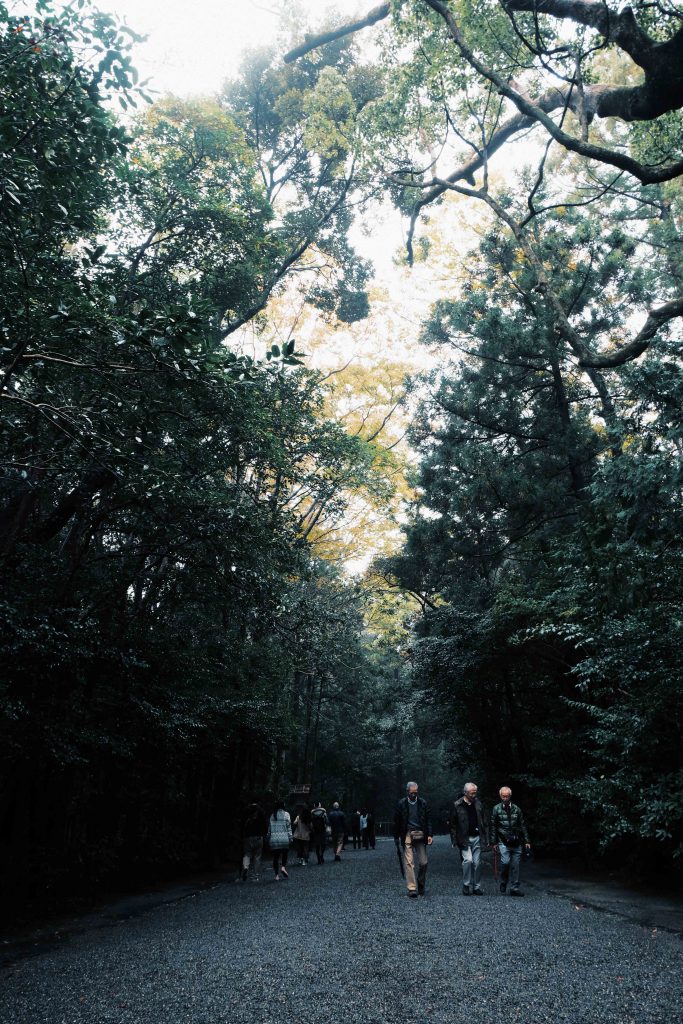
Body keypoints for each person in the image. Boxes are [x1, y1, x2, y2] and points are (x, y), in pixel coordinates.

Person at [393, 781, 433, 898]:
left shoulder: (423, 803)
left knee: (424, 862)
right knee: (409, 862)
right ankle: (412, 888)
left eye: (416, 793)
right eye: (412, 793)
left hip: (420, 834)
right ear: (407, 792)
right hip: (407, 833)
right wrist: (396, 837)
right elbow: (397, 821)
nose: (414, 795)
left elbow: (428, 819)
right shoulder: (401, 804)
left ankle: (420, 884)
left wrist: (429, 834)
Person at [489, 786, 531, 896]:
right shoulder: (496, 809)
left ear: (510, 796)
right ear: (500, 796)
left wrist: (527, 840)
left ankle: (514, 888)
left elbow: (522, 825)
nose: (505, 798)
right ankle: (504, 881)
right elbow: (493, 826)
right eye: (503, 796)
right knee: (505, 862)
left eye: (507, 796)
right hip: (503, 840)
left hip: (516, 840)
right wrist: (493, 842)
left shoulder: (517, 809)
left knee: (516, 865)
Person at [451, 782, 488, 895]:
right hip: (464, 838)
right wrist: (454, 840)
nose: (474, 795)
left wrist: (487, 838)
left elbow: (484, 821)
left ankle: (477, 887)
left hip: (477, 837)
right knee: (468, 860)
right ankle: (466, 885)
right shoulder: (457, 805)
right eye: (472, 793)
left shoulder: (479, 804)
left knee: (477, 863)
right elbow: (453, 824)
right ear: (465, 793)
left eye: (475, 793)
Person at [240, 802, 267, 882]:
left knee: (247, 854)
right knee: (257, 857)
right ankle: (255, 876)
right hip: (258, 837)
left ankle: (245, 867)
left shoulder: (246, 813)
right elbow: (265, 825)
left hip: (248, 837)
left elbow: (242, 825)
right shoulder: (261, 814)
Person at [266, 800, 292, 881]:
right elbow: (289, 827)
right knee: (285, 854)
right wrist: (290, 837)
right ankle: (283, 867)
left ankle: (276, 875)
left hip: (274, 839)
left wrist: (267, 838)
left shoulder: (272, 815)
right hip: (284, 839)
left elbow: (269, 829)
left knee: (276, 857)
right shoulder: (286, 814)